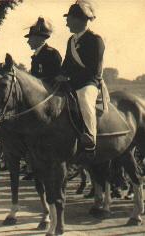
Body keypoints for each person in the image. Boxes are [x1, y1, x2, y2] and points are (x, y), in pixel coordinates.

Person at [57, 0, 105, 162]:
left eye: (69, 19)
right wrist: (59, 76)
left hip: (89, 83)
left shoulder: (95, 40)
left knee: (84, 98)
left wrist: (70, 77)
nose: (66, 23)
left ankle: (91, 140)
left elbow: (94, 70)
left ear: (79, 19)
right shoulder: (71, 41)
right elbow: (66, 64)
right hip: (72, 83)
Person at [25, 16, 62, 86]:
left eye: (30, 38)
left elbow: (56, 78)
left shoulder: (52, 54)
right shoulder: (35, 57)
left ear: (38, 38)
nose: (28, 41)